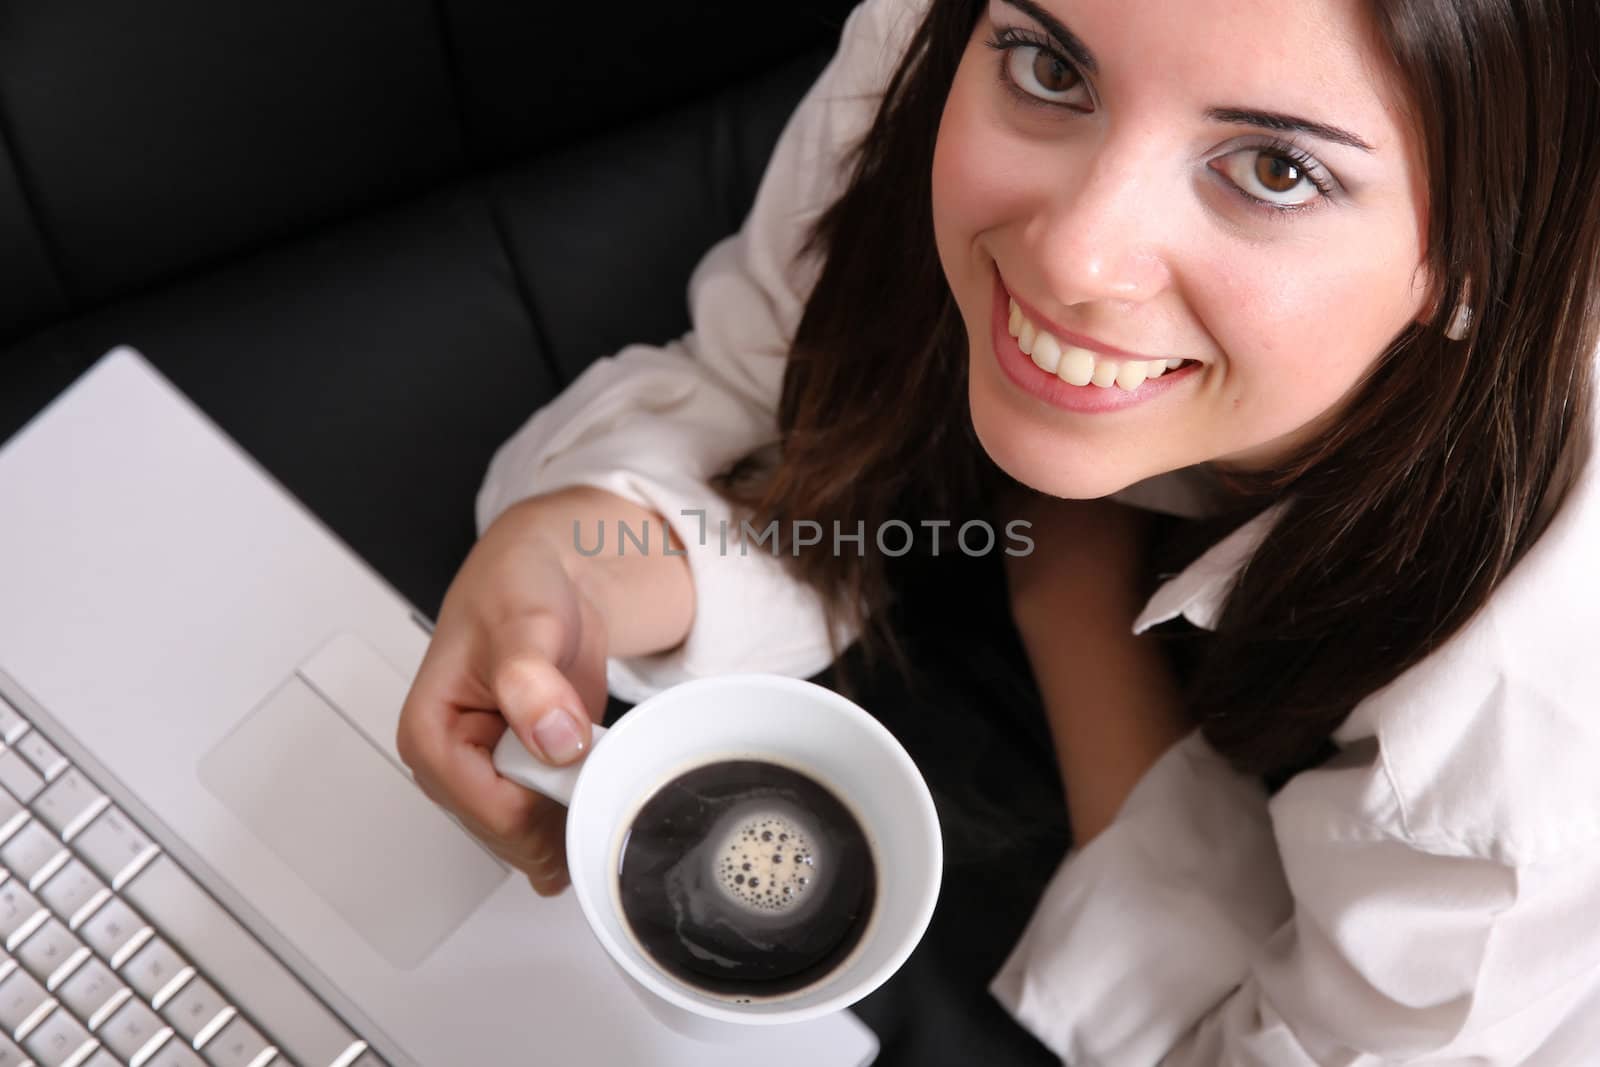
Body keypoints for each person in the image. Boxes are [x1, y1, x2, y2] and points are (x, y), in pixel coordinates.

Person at [396, 0, 1600, 1061]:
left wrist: (1069, 599)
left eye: (1275, 169)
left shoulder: (1524, 735)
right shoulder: (944, 36)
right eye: (1050, 69)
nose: (1073, 253)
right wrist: (583, 556)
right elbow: (777, 394)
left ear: (1487, 253)